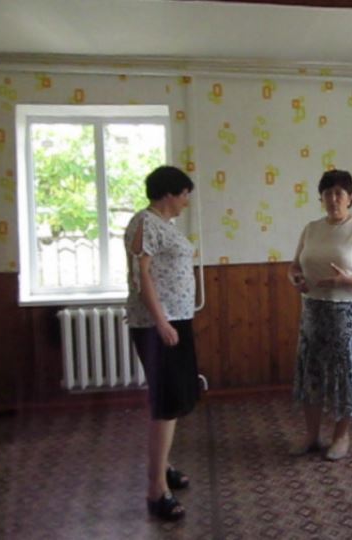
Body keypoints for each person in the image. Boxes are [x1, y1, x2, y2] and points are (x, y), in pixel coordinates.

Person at [288, 169, 352, 461]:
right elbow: (294, 266)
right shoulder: (311, 229)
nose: (333, 199)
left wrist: (347, 280)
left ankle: (341, 436)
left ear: (350, 197)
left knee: (345, 375)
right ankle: (311, 435)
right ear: (321, 198)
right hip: (313, 311)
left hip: (349, 314)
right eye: (327, 193)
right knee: (312, 373)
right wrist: (295, 278)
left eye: (339, 193)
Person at [124, 165, 199, 521]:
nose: (186, 201)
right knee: (166, 403)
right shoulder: (145, 223)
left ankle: (162, 466)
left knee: (174, 398)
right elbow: (142, 277)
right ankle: (156, 491)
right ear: (170, 193)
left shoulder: (163, 225)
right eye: (184, 194)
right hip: (160, 325)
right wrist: (161, 322)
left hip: (176, 320)